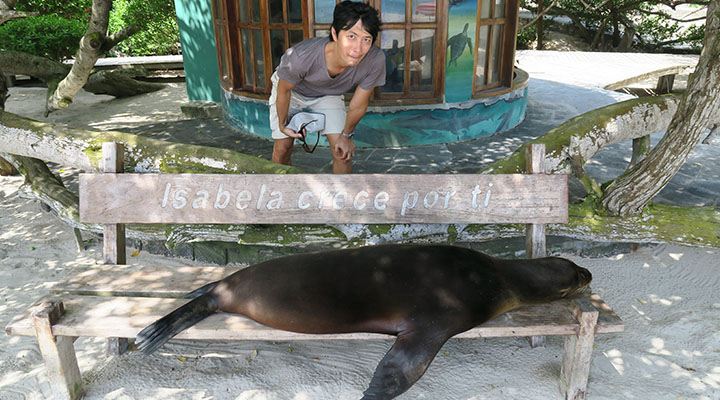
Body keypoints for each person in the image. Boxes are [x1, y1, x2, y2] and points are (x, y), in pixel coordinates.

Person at [269, 0, 385, 174]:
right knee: (283, 147)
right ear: (335, 33)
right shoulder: (301, 56)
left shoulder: (375, 60)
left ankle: (342, 199)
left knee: (342, 152)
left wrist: (346, 136)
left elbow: (359, 104)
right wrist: (282, 125)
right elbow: (284, 90)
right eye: (351, 36)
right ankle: (278, 194)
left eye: (366, 39)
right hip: (293, 93)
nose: (358, 49)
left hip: (328, 94)